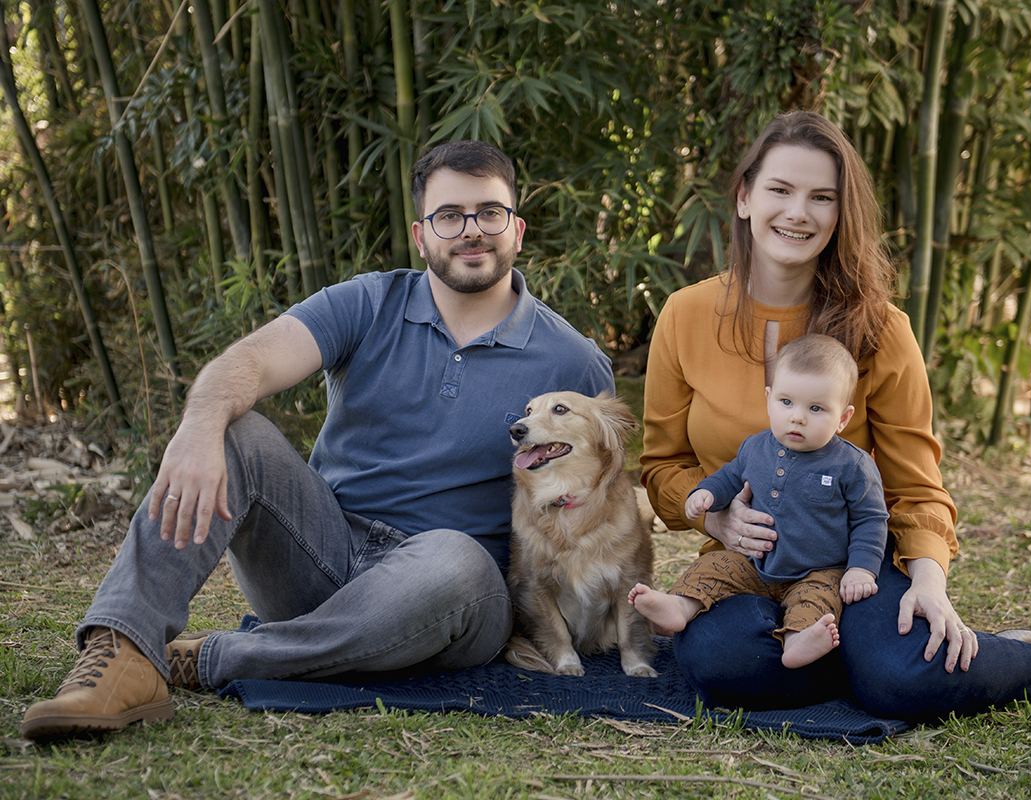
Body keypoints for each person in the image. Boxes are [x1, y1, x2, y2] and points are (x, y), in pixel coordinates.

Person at [21, 140, 615, 742]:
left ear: (516, 228)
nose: (471, 231)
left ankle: (209, 659)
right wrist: (198, 428)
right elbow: (251, 360)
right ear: (420, 233)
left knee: (456, 558)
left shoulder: (573, 364)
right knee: (236, 429)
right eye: (449, 216)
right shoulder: (367, 301)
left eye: (489, 212)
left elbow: (593, 507)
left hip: (453, 595)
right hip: (320, 555)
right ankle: (118, 652)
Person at [639, 110, 1031, 720]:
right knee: (728, 665)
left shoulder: (882, 329)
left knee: (904, 681)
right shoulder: (685, 314)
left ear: (839, 213)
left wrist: (930, 583)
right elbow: (664, 466)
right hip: (741, 563)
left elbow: (915, 489)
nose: (798, 213)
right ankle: (865, 657)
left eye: (821, 197)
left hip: (852, 562)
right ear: (746, 197)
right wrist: (719, 519)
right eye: (780, 190)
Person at [630, 334, 886, 669]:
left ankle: (799, 640)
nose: (798, 417)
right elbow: (729, 477)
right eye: (786, 402)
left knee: (817, 600)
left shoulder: (851, 465)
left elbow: (871, 519)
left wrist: (861, 569)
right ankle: (679, 606)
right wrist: (705, 494)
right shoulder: (755, 447)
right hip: (754, 563)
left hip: (818, 570)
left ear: (843, 418)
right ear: (768, 399)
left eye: (816, 408)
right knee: (713, 568)